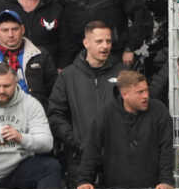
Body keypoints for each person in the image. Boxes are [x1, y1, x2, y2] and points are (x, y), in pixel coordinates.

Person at [72, 70, 174, 189]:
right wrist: (84, 180)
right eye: (140, 92)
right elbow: (92, 147)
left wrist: (166, 180)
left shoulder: (159, 110)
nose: (146, 96)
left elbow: (166, 148)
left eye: (146, 90)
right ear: (124, 94)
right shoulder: (106, 113)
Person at [47, 21, 124, 171]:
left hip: (118, 158)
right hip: (80, 158)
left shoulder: (123, 73)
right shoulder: (68, 76)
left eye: (108, 41)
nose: (105, 46)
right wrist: (76, 141)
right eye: (99, 41)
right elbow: (55, 114)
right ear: (86, 43)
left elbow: (135, 109)